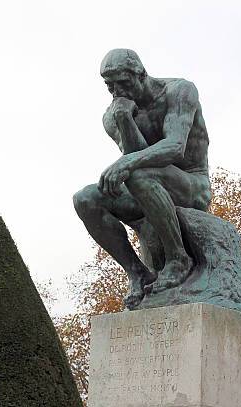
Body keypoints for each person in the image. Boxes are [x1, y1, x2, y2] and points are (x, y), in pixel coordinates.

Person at [73, 49, 211, 308]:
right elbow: (135, 155)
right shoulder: (112, 115)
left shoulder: (179, 92)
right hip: (146, 186)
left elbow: (175, 147)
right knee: (86, 199)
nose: (116, 92)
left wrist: (127, 162)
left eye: (123, 83)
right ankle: (137, 272)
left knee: (136, 171)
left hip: (191, 185)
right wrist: (125, 119)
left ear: (141, 74)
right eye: (109, 86)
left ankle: (178, 259)